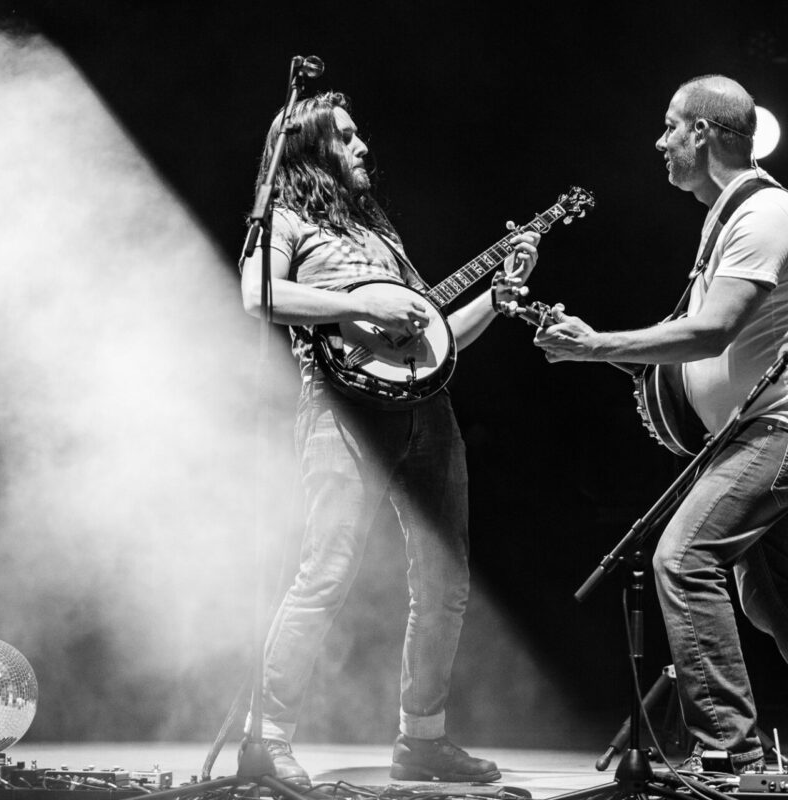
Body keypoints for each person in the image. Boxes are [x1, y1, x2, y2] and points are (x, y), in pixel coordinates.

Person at [533, 75, 788, 775]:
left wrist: (596, 346)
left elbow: (709, 334)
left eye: (670, 126)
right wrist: (592, 347)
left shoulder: (763, 216)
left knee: (683, 559)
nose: (661, 141)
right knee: (772, 595)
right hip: (764, 432)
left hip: (784, 430)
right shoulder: (726, 218)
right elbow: (697, 351)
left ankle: (726, 753)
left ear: (703, 132)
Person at [238, 91, 540, 786]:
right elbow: (258, 295)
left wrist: (495, 299)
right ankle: (272, 739)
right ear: (312, 150)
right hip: (340, 411)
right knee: (327, 572)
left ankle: (422, 740)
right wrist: (357, 302)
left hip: (428, 411)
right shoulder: (284, 218)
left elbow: (435, 337)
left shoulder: (381, 233)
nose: (362, 145)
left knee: (446, 582)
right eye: (345, 137)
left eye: (358, 134)